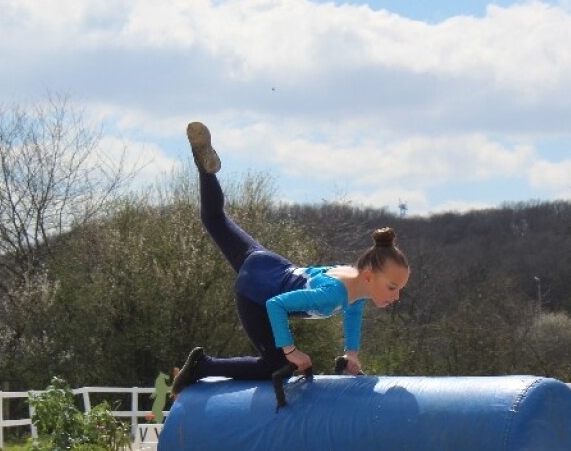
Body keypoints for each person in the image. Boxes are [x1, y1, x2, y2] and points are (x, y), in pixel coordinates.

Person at [169, 121, 411, 397]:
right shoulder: (331, 295)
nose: (397, 296)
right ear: (369, 275)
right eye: (392, 287)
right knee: (274, 364)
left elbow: (353, 313)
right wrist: (291, 351)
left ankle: (206, 171)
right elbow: (275, 306)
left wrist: (351, 354)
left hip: (265, 262)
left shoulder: (352, 281)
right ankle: (202, 366)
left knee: (214, 219)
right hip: (257, 292)